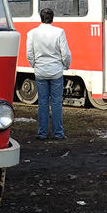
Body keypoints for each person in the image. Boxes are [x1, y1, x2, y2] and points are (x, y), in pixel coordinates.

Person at [26, 8, 71, 141]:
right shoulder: (59, 32)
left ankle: (42, 133)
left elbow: (29, 53)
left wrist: (34, 65)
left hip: (40, 72)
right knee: (56, 103)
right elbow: (65, 53)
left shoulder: (32, 33)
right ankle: (58, 133)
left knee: (43, 103)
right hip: (56, 72)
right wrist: (65, 65)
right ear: (52, 18)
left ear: (41, 17)